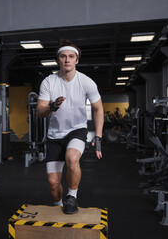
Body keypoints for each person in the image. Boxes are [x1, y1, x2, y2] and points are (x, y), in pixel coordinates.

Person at [36, 39, 104, 214]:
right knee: (53, 184)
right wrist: (51, 107)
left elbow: (98, 109)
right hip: (54, 135)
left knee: (72, 159)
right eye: (63, 56)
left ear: (76, 60)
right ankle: (59, 207)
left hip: (77, 130)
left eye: (71, 57)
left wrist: (98, 136)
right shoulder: (49, 82)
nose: (67, 60)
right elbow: (39, 111)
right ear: (58, 60)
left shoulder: (86, 82)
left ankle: (72, 197)